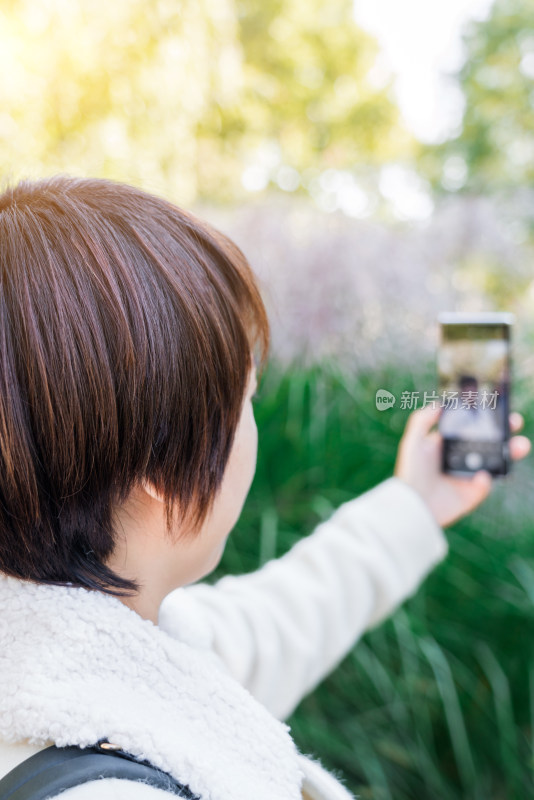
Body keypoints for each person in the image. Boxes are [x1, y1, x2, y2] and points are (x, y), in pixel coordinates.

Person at [0, 177, 529, 800]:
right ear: (162, 467)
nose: (254, 418)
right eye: (247, 396)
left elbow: (282, 617)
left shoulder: (92, 650)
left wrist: (417, 501)